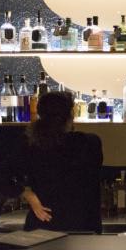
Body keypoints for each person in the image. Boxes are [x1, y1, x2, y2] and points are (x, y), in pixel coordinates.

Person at [22, 91, 103, 233]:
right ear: (71, 114)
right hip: (84, 227)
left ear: (40, 115)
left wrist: (28, 194)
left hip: (44, 226)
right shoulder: (91, 142)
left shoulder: (33, 145)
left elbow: (0, 178)